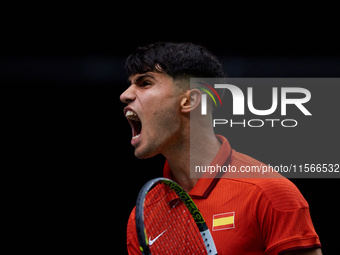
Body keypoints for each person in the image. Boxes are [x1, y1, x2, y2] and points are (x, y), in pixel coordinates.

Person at [121, 42, 322, 254]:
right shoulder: (144, 215)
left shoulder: (270, 194)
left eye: (145, 83)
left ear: (189, 101)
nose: (125, 95)